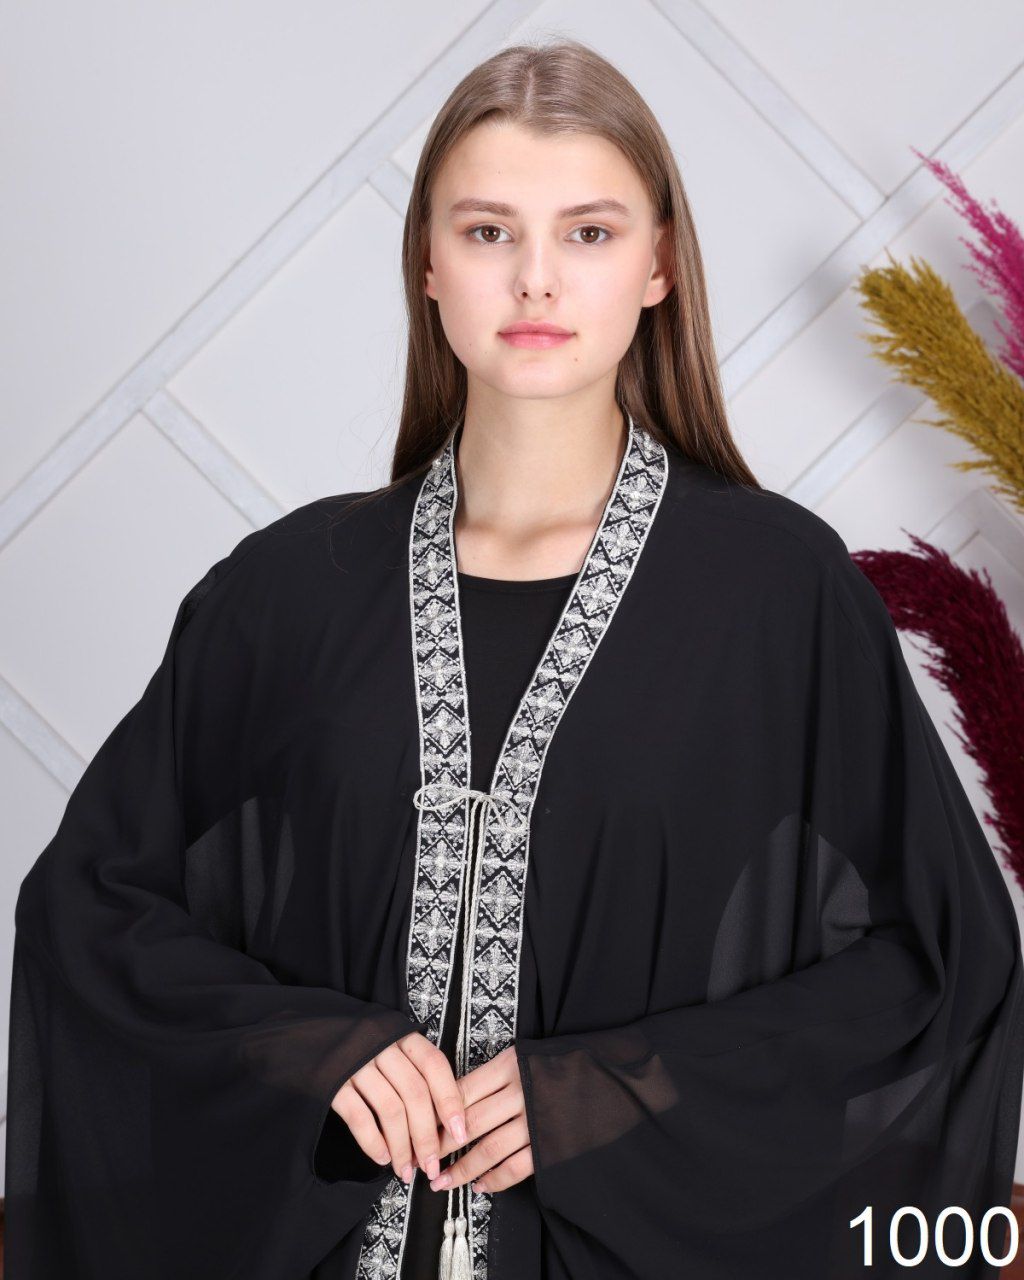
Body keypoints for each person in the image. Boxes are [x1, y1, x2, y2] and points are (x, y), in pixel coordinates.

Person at [6, 36, 1024, 1280]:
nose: (536, 277)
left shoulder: (777, 593)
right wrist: (313, 1047)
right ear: (427, 264)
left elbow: (933, 962)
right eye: (488, 231)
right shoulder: (281, 593)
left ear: (658, 264)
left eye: (588, 232)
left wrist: (619, 1087)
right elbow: (92, 914)